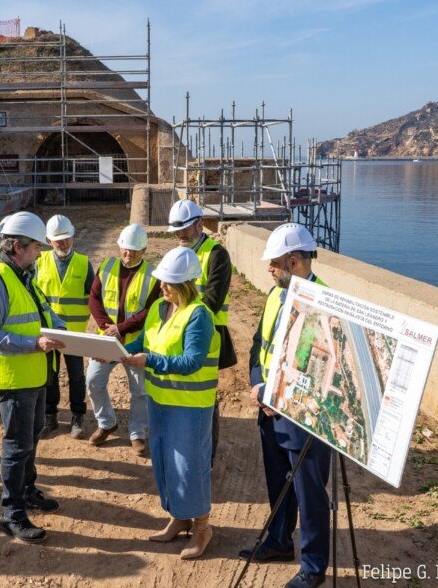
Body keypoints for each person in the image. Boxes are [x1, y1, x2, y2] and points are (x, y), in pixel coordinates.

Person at [239, 223, 333, 588]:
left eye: (274, 263)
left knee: (309, 494)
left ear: (294, 261)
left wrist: (275, 396)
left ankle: (313, 567)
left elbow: (317, 370)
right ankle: (279, 542)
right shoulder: (276, 294)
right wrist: (258, 384)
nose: (268, 269)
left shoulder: (323, 304)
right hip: (270, 408)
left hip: (302, 418)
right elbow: (257, 345)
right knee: (278, 483)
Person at [0, 212, 66, 544]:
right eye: (35, 247)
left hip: (33, 373)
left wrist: (68, 333)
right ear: (17, 246)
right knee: (17, 445)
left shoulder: (25, 275)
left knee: (33, 434)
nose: (40, 253)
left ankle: (27, 490)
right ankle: (11, 514)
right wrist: (33, 343)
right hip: (13, 377)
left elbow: (43, 313)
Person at [122, 247, 219, 559]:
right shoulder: (158, 309)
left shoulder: (199, 315)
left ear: (186, 284)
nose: (161, 286)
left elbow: (191, 361)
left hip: (189, 405)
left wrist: (149, 360)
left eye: (168, 282)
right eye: (162, 280)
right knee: (164, 460)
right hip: (160, 399)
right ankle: (179, 517)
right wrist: (118, 350)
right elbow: (142, 342)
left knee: (189, 465)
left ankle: (202, 527)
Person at [166, 199, 237, 465]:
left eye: (184, 230)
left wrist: (182, 319)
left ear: (199, 224)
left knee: (207, 397)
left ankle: (207, 455)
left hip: (209, 336)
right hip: (179, 333)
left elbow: (213, 300)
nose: (179, 236)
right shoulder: (179, 252)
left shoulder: (217, 254)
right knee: (183, 390)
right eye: (176, 232)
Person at [86, 223, 160, 456]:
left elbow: (149, 311)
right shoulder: (107, 266)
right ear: (119, 247)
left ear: (144, 250)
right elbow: (94, 299)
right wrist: (106, 326)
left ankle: (138, 433)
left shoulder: (152, 275)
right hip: (106, 340)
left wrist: (121, 328)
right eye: (125, 249)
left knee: (139, 390)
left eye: (134, 251)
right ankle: (107, 422)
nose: (128, 254)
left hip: (135, 342)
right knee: (94, 381)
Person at [35, 214, 94, 439]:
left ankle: (78, 415)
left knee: (77, 376)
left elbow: (94, 298)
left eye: (67, 238)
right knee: (50, 375)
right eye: (58, 240)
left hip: (74, 333)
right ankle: (50, 416)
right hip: (49, 333)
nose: (64, 243)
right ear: (49, 241)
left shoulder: (83, 262)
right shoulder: (40, 263)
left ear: (73, 237)